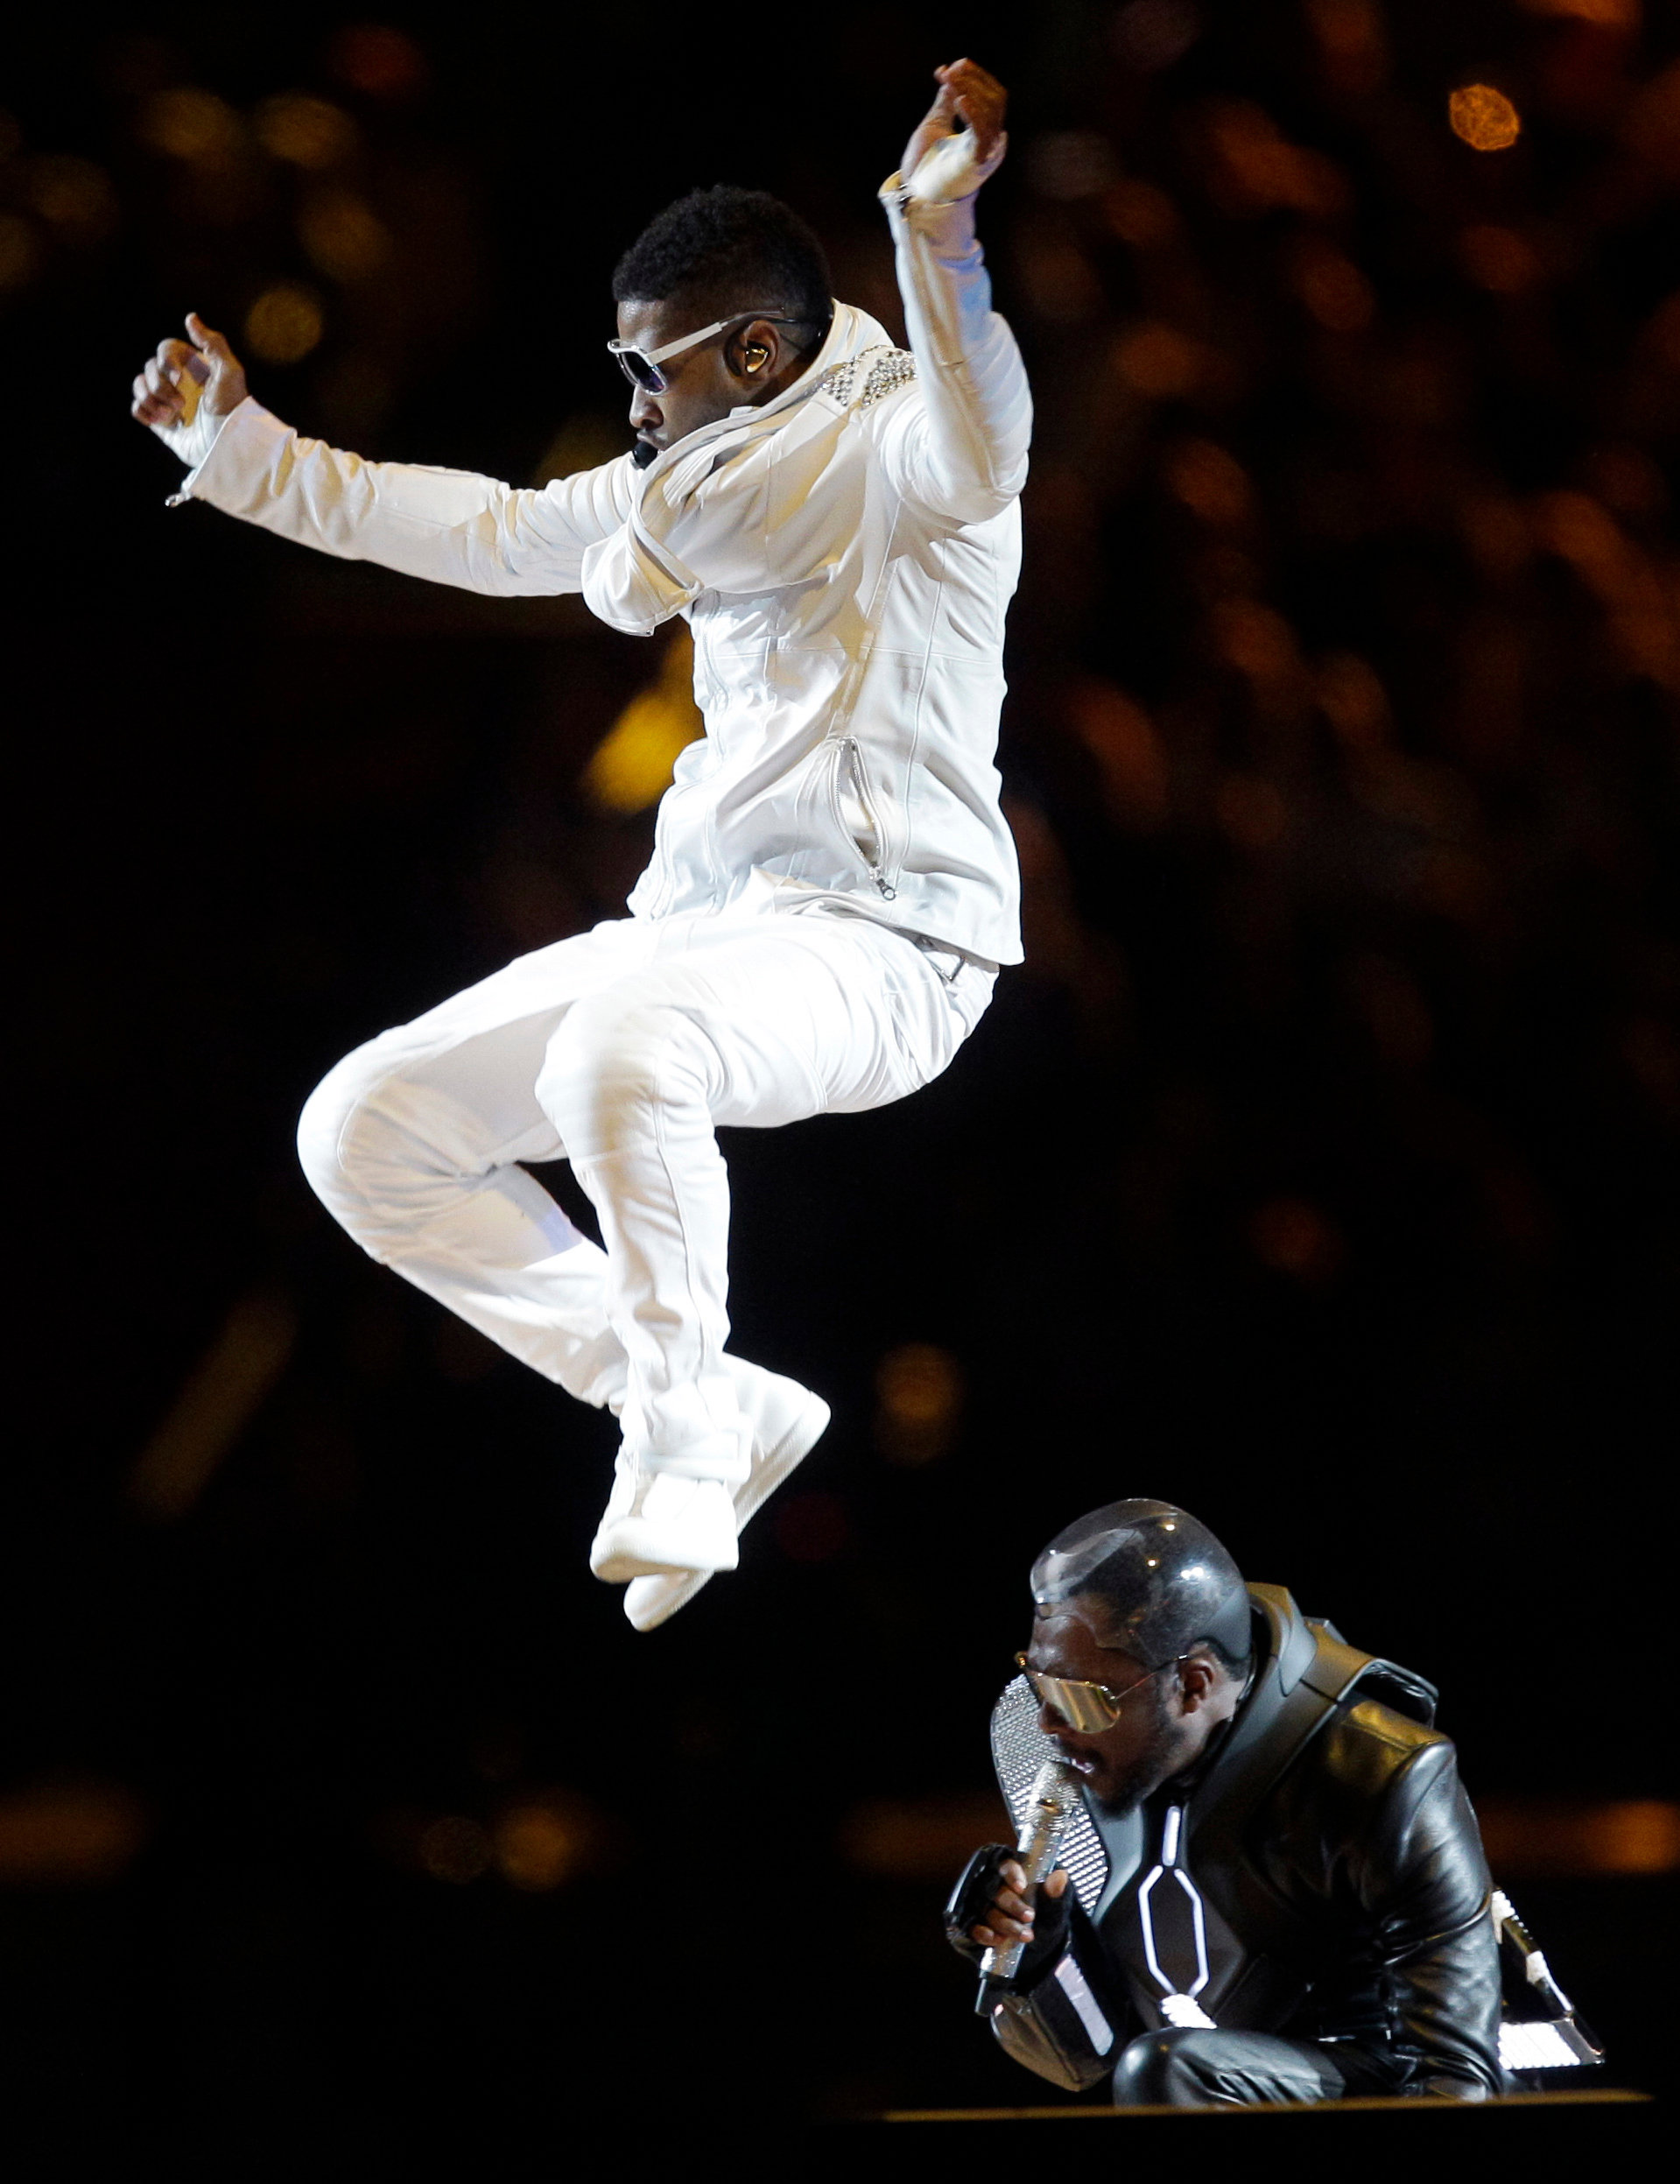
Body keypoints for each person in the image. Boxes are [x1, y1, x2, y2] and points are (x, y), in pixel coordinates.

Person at [130, 60, 1029, 1631]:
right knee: (365, 1126)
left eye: (650, 375)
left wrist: (935, 236)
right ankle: (700, 1396)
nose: (630, 411)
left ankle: (678, 1434)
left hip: (890, 950)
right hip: (709, 930)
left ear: (753, 352)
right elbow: (486, 530)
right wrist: (248, 451)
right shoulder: (696, 476)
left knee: (623, 1041)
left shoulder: (904, 459)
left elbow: (985, 432)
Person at [945, 1499, 1508, 2105]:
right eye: (1038, 1683)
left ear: (1193, 1684)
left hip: (1375, 2088)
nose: (1048, 1723)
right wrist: (1043, 1952)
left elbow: (1457, 2080)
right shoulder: (1058, 1748)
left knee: (1168, 2069)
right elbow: (1090, 2062)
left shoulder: (1380, 1771)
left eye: (1082, 1698)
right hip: (1179, 2076)